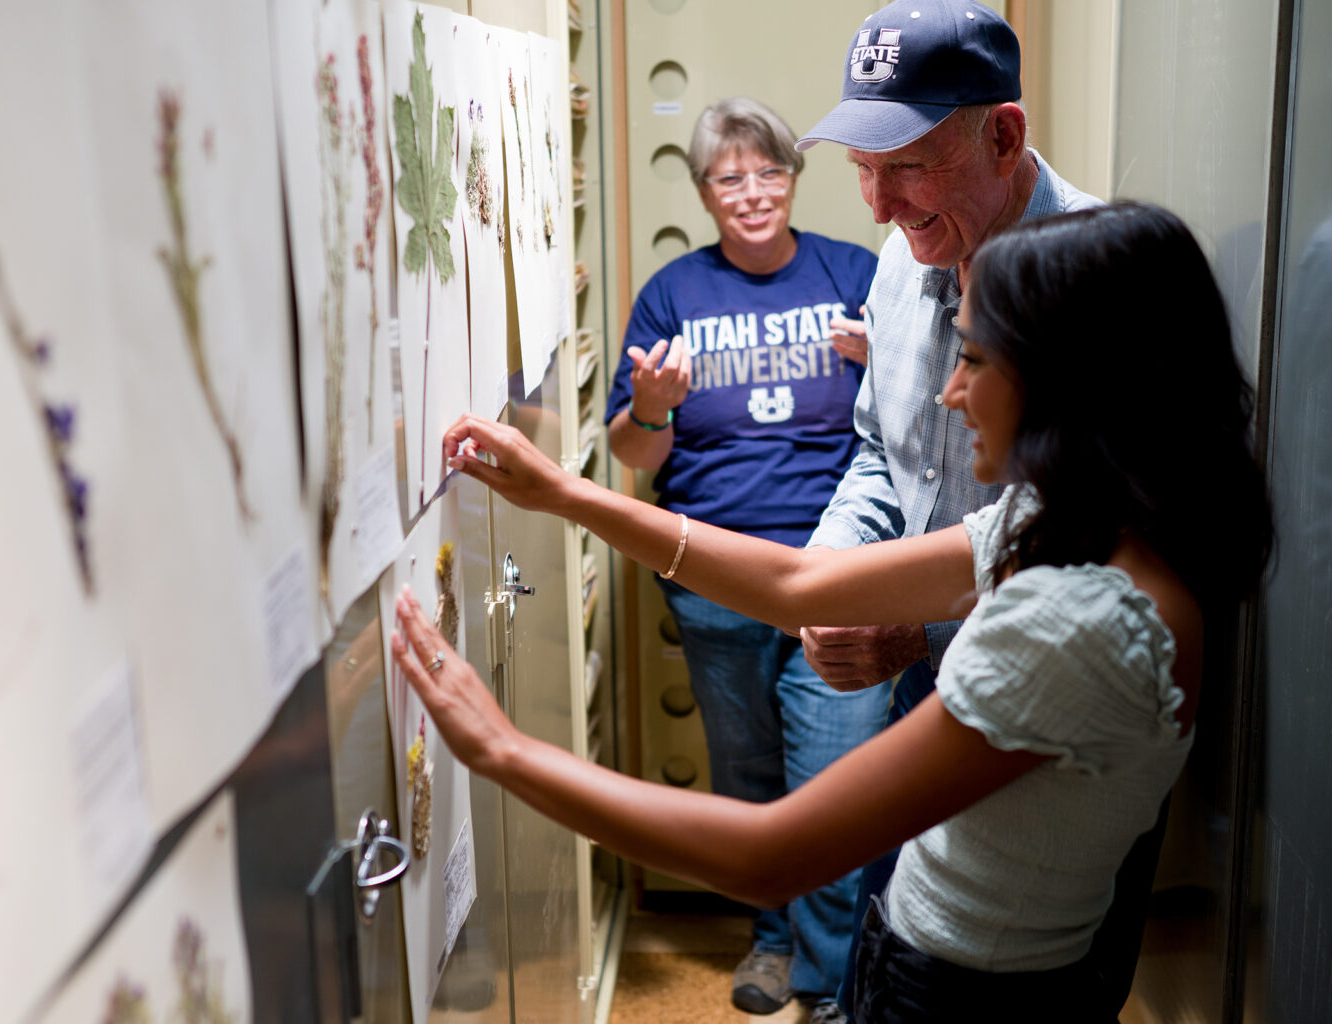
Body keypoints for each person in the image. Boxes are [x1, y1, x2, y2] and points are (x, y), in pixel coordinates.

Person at [399, 203, 1272, 1023]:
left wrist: (502, 752)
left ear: (1069, 382)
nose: (949, 394)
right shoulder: (1081, 521)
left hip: (964, 997)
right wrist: (564, 494)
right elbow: (796, 586)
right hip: (956, 965)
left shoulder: (1076, 626)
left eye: (974, 359)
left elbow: (771, 854)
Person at [788, 3, 1125, 1017]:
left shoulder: (1101, 276)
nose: (880, 204)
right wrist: (838, 573)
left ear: (1005, 134)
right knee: (896, 957)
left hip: (1048, 725)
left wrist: (917, 624)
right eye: (861, 165)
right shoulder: (907, 258)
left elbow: (1106, 553)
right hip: (921, 681)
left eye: (908, 164)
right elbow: (878, 454)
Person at [604, 96, 888, 1015]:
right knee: (751, 780)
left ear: (795, 180)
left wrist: (882, 358)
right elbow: (634, 453)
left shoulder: (857, 274)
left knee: (836, 785)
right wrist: (652, 406)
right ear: (703, 192)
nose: (754, 193)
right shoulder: (673, 293)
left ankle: (833, 978)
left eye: (770, 172)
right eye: (731, 178)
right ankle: (772, 942)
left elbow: (924, 415)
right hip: (715, 577)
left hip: (838, 574)